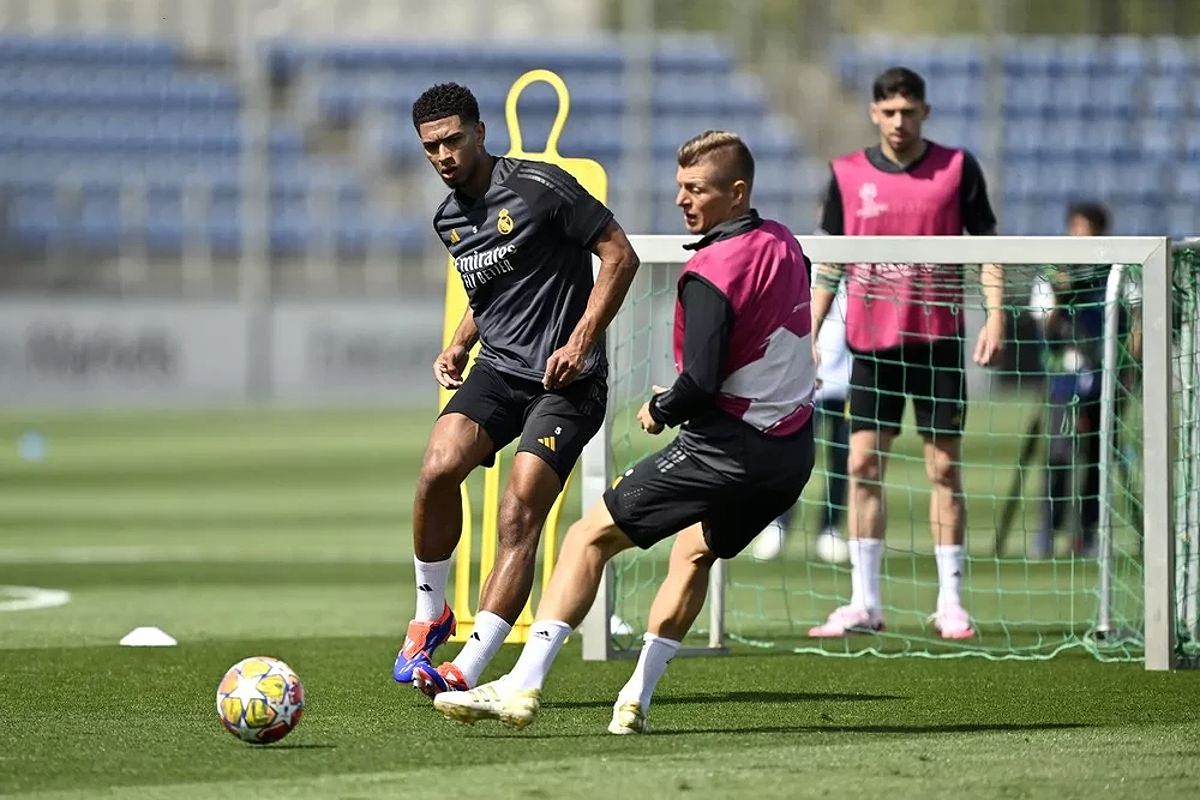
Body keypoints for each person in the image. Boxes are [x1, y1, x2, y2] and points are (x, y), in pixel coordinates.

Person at [432, 130, 816, 732]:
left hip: (727, 448)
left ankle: (521, 685)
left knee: (587, 539)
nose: (682, 201)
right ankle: (634, 698)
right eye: (679, 187)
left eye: (696, 190)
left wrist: (663, 408)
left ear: (736, 193)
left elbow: (705, 380)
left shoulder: (710, 271)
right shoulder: (787, 243)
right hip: (792, 454)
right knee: (694, 552)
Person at [394, 83, 640, 697]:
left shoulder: (540, 186)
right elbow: (491, 290)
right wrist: (458, 341)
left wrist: (582, 340)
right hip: (499, 371)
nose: (444, 155)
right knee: (436, 469)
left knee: (516, 511)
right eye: (431, 148)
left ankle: (468, 669)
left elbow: (620, 255)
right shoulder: (449, 219)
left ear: (479, 132)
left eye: (452, 140)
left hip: (567, 382)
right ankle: (430, 617)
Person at [807, 67, 1004, 640]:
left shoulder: (958, 169)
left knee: (943, 468)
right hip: (871, 346)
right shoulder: (846, 175)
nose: (899, 121)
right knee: (861, 464)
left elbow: (990, 245)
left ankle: (950, 602)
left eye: (908, 111)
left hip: (939, 342)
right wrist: (813, 337)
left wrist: (993, 314)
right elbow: (831, 262)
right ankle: (864, 601)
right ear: (874, 113)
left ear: (925, 112)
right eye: (889, 111)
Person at [1030, 201, 1138, 558]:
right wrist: (1061, 294)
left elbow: (1137, 318)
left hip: (1107, 377)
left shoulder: (1118, 270)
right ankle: (1048, 531)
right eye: (1075, 227)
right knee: (1058, 455)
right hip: (1064, 376)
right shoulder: (1051, 272)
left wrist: (1127, 364)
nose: (1080, 234)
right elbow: (1043, 324)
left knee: (1097, 458)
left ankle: (1088, 535)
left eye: (1087, 227)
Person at [751, 278, 852, 562]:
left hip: (849, 380)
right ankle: (778, 525)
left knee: (842, 458)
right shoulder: (809, 267)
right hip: (806, 381)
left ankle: (830, 529)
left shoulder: (858, 271)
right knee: (794, 457)